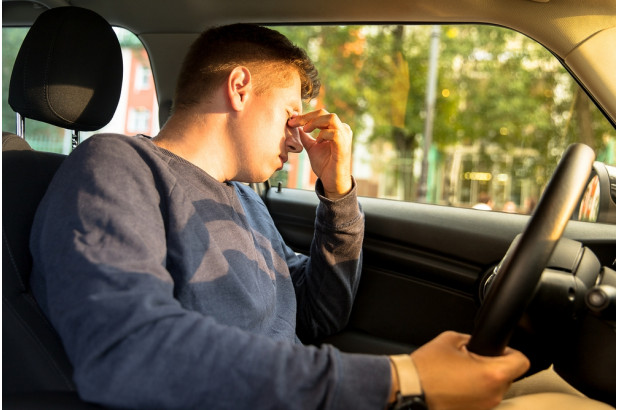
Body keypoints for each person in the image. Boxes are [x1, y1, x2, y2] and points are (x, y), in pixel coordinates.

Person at [30, 23, 560, 410]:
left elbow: (318, 314)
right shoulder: (115, 166)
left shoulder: (246, 198)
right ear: (239, 87)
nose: (299, 136)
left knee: (548, 391)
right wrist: (399, 379)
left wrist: (338, 192)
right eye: (290, 112)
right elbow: (130, 351)